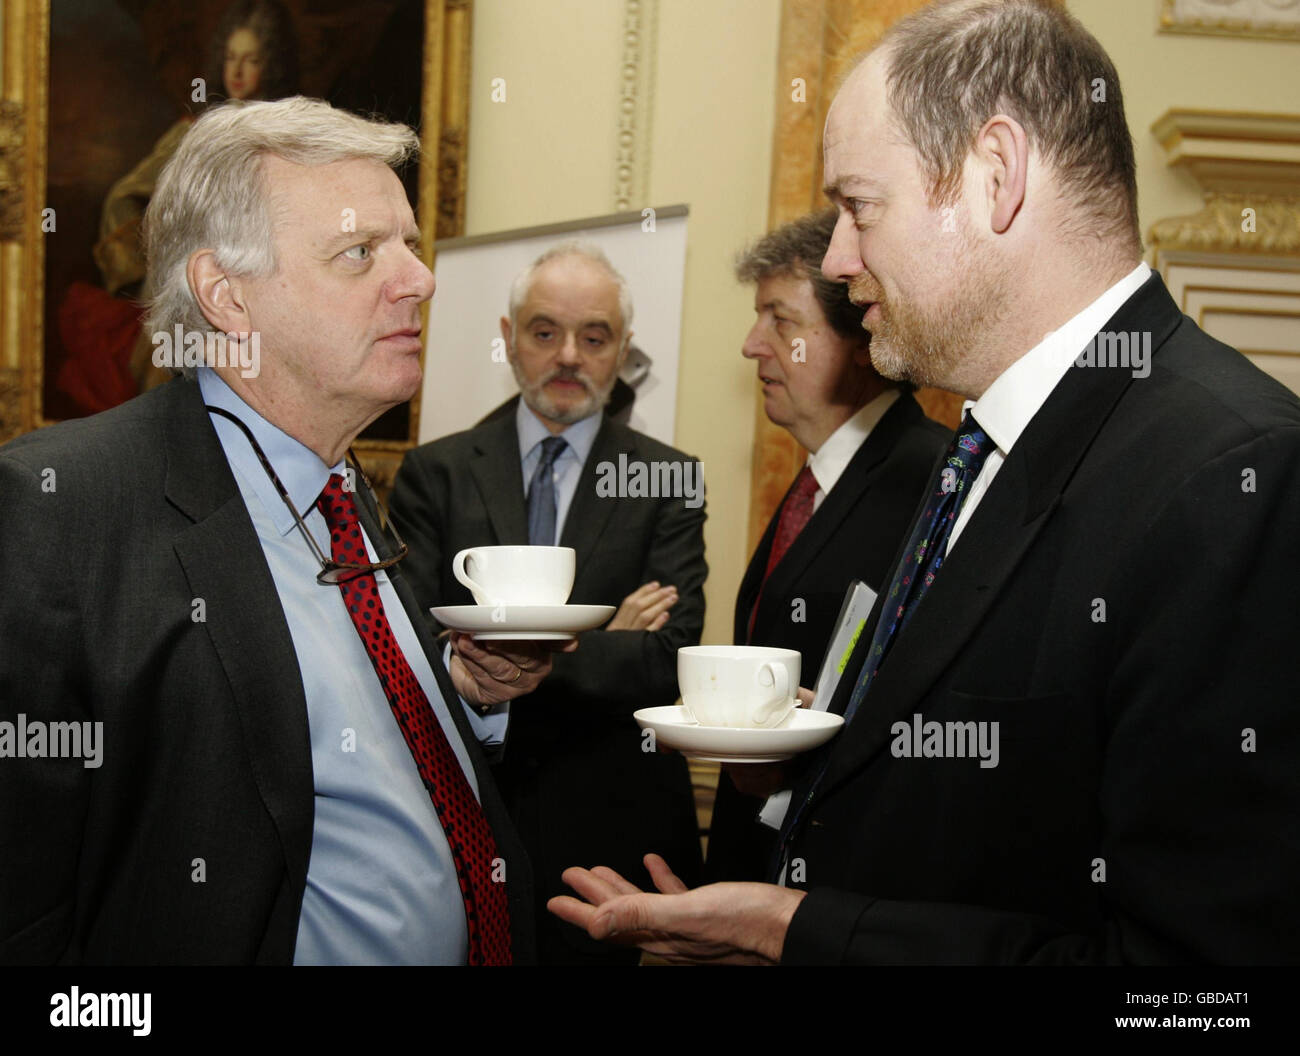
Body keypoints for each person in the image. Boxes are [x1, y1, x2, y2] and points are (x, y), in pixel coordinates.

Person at [549, 0, 1300, 964]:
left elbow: (1200, 994)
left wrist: (798, 931)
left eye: (860, 207)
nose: (836, 259)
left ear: (996, 175)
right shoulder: (981, 445)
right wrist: (776, 938)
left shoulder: (1236, 478)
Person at [0, 96, 560, 965]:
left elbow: (346, 738)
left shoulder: (345, 486)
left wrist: (466, 694)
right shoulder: (66, 506)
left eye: (409, 242)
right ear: (227, 296)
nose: (420, 277)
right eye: (361, 252)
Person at [389, 242, 708, 964]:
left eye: (594, 337)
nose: (568, 355)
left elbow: (668, 658)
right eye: (543, 332)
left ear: (622, 349)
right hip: (464, 808)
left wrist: (487, 656)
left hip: (616, 823)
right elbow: (407, 646)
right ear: (507, 339)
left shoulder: (669, 480)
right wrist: (601, 637)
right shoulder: (434, 473)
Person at [705, 208, 947, 882]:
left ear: (858, 336)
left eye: (780, 321)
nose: (753, 345)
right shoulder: (818, 478)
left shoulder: (932, 482)